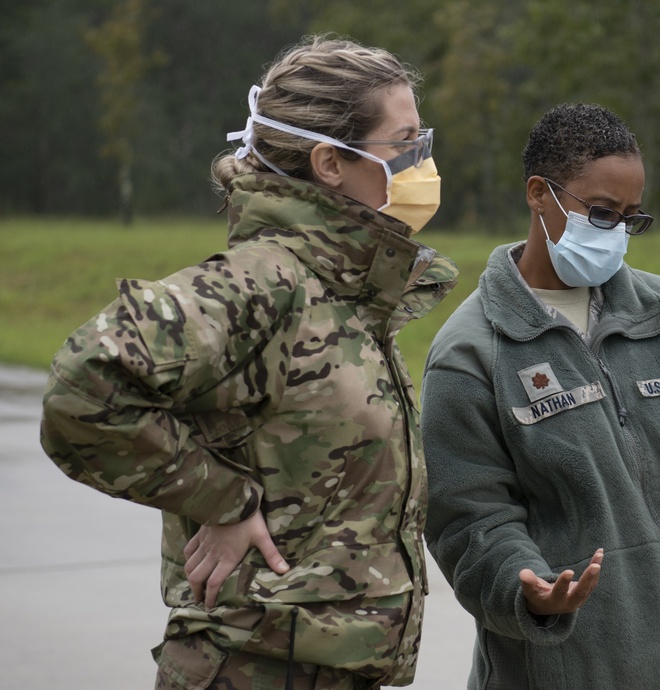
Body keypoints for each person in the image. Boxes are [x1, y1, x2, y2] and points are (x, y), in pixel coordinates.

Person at [39, 35, 457, 690]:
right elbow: (82, 387)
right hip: (252, 667)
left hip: (330, 668)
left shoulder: (345, 290)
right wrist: (223, 500)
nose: (420, 164)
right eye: (404, 144)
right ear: (330, 162)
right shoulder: (262, 283)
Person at [420, 102, 660, 690]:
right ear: (538, 194)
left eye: (631, 218)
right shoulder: (473, 353)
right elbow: (467, 523)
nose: (616, 232)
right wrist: (530, 592)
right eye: (601, 212)